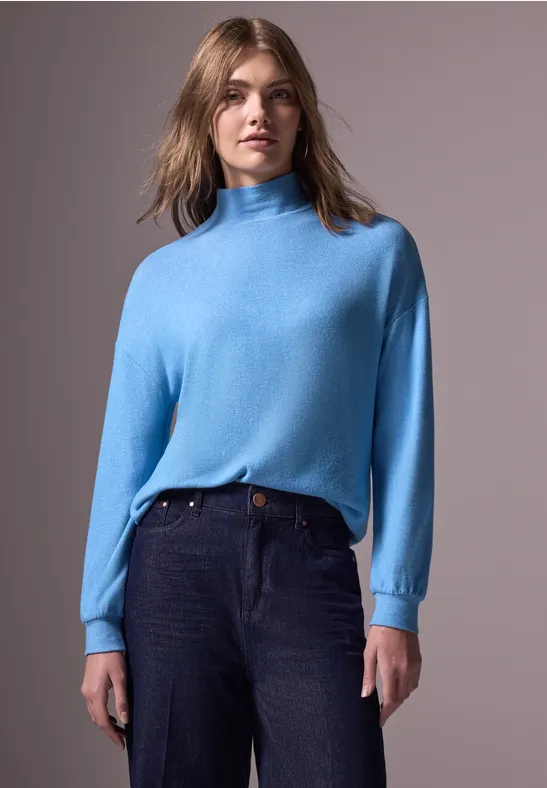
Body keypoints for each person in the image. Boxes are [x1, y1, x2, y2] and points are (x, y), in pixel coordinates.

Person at [80, 16, 434, 788]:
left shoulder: (375, 253)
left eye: (279, 95)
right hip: (173, 567)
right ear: (202, 116)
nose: (257, 114)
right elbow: (125, 455)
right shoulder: (162, 278)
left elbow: (405, 438)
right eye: (233, 95)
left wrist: (396, 604)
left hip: (306, 562)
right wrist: (100, 625)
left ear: (302, 112)